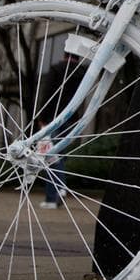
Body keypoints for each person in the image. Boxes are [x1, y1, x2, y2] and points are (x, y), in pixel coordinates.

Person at [37, 54, 84, 209]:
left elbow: (48, 93)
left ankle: (55, 193)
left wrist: (42, 117)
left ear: (64, 55)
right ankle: (58, 191)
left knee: (51, 157)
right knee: (60, 156)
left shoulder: (57, 69)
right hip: (71, 119)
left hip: (54, 117)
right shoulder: (82, 72)